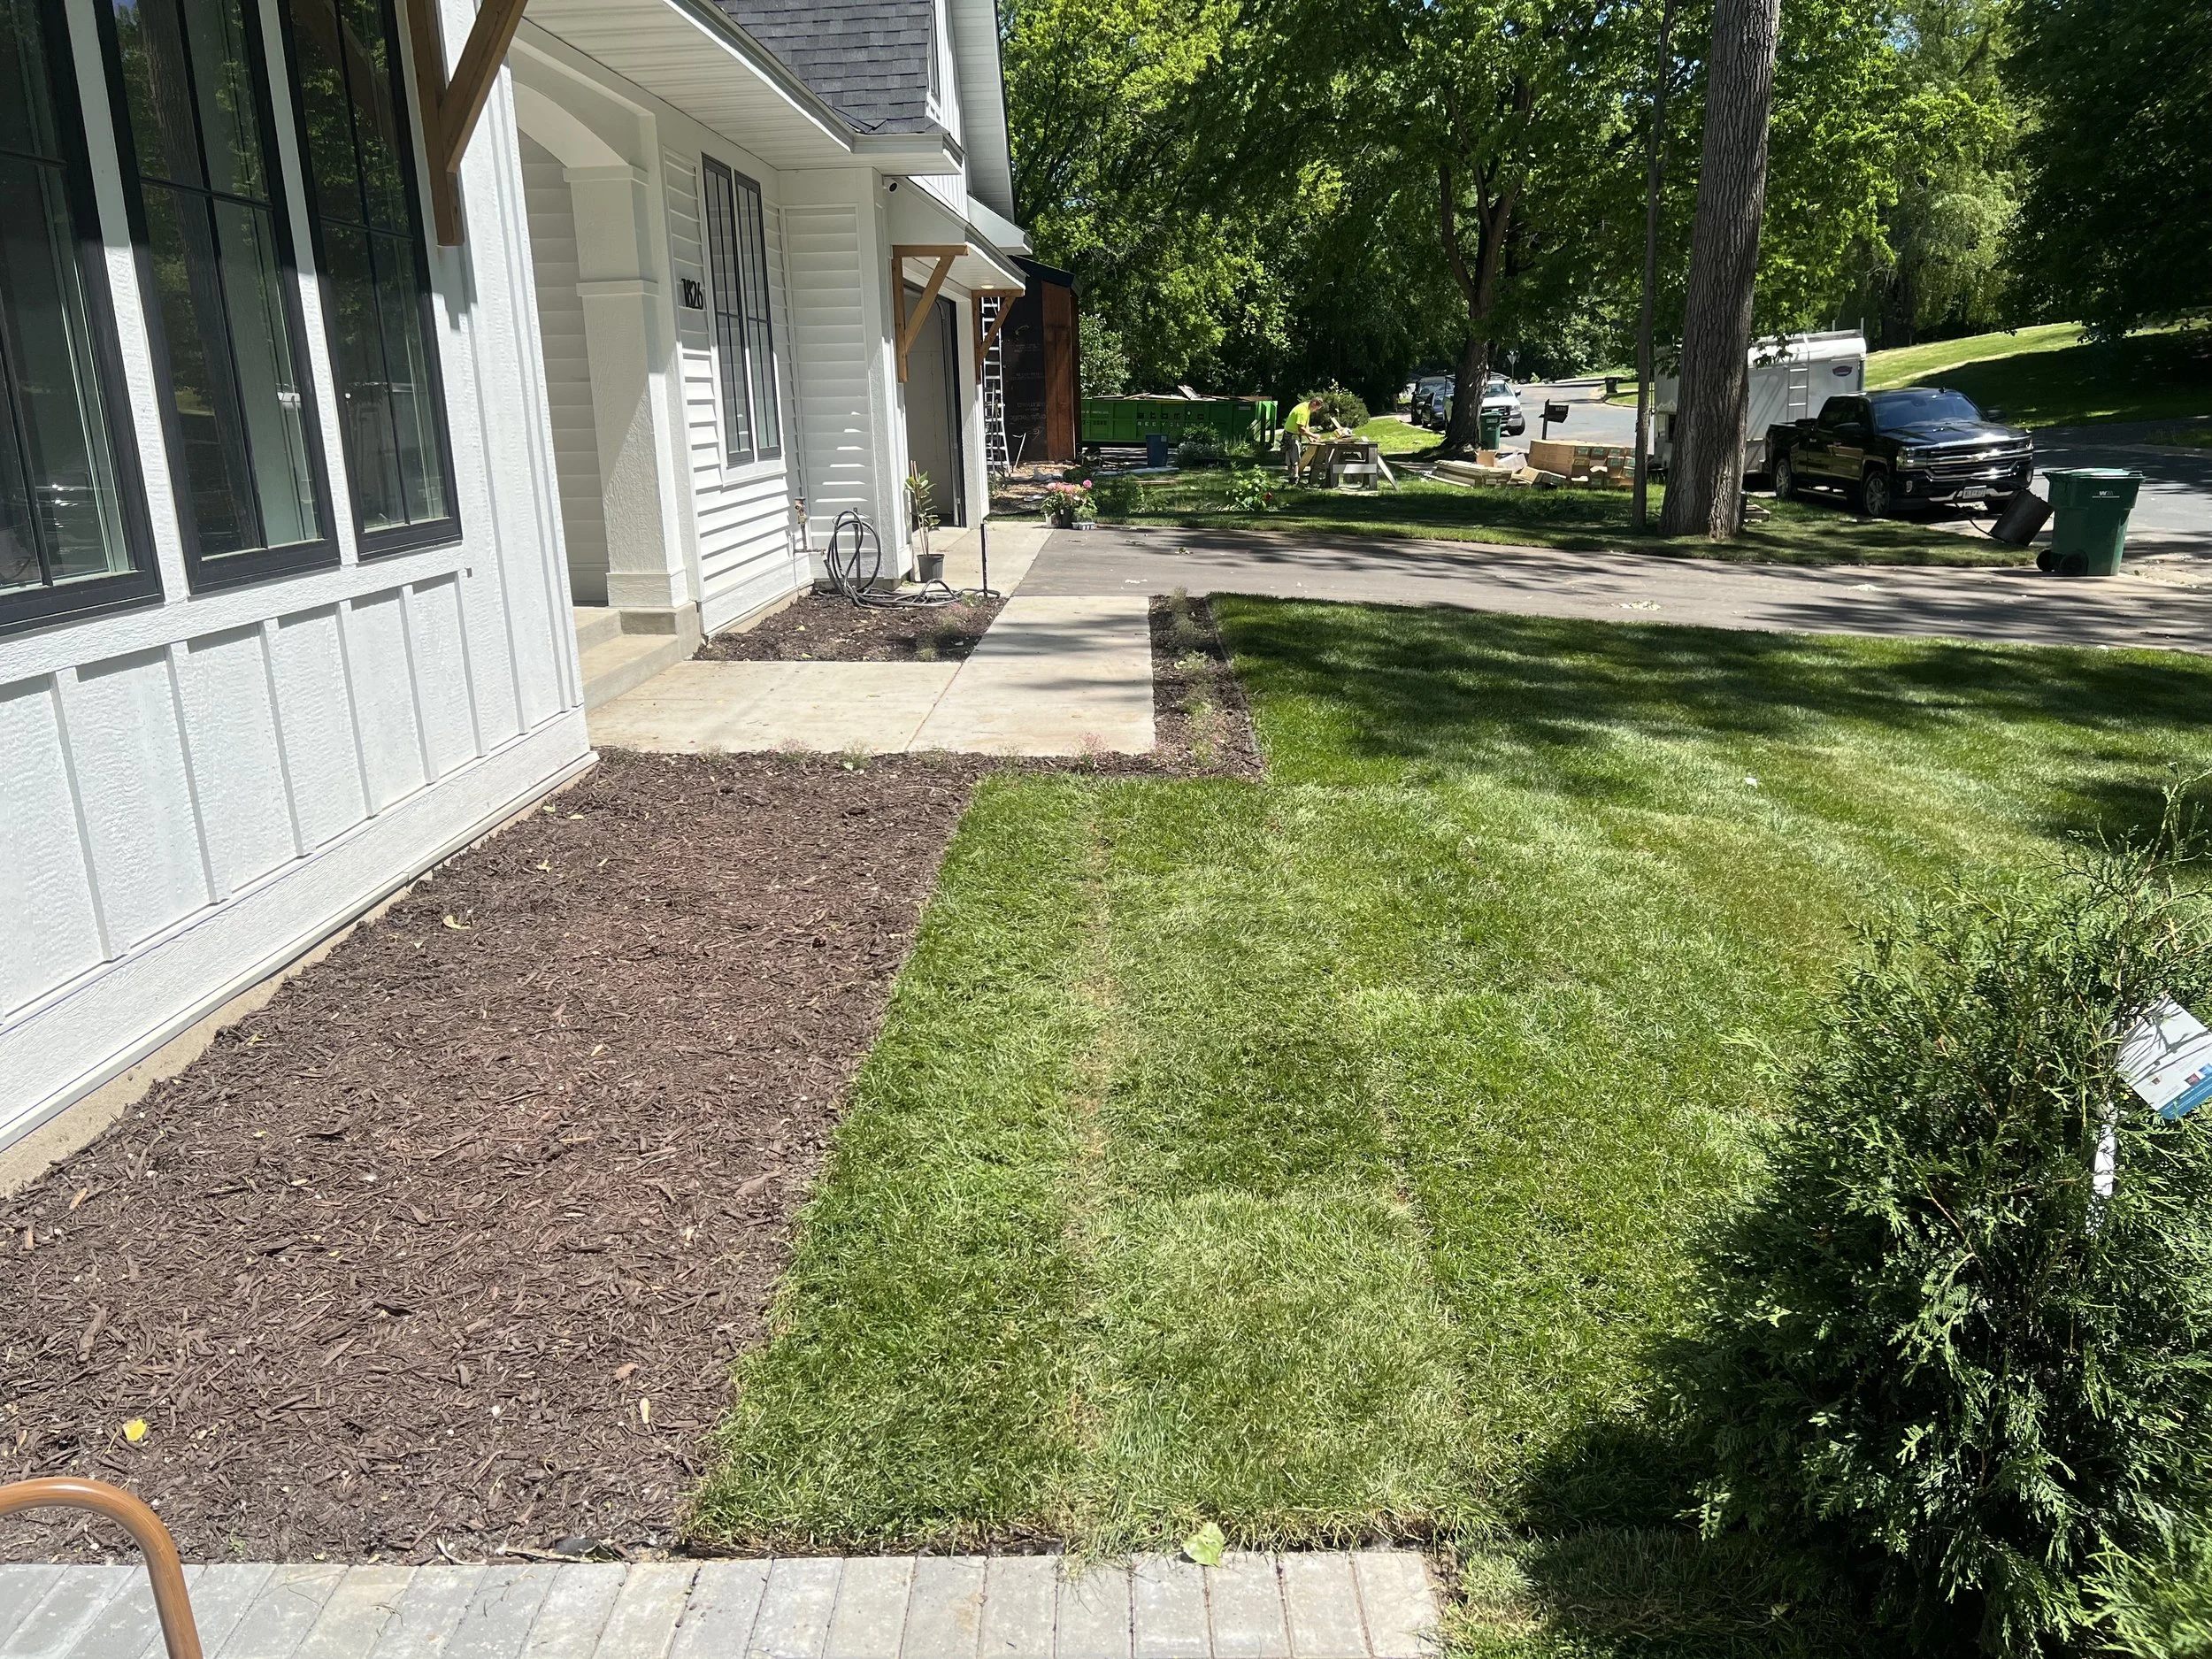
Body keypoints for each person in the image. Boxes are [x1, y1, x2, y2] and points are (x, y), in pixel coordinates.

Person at [1281, 397, 1314, 483]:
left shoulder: (1306, 409)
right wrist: (1314, 436)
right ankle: (1294, 478)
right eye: (1317, 409)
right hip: (1291, 436)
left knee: (1292, 457)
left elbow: (1306, 428)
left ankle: (1292, 477)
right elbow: (1301, 429)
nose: (1316, 411)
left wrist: (1311, 439)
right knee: (1294, 458)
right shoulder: (1302, 410)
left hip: (1292, 435)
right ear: (1314, 404)